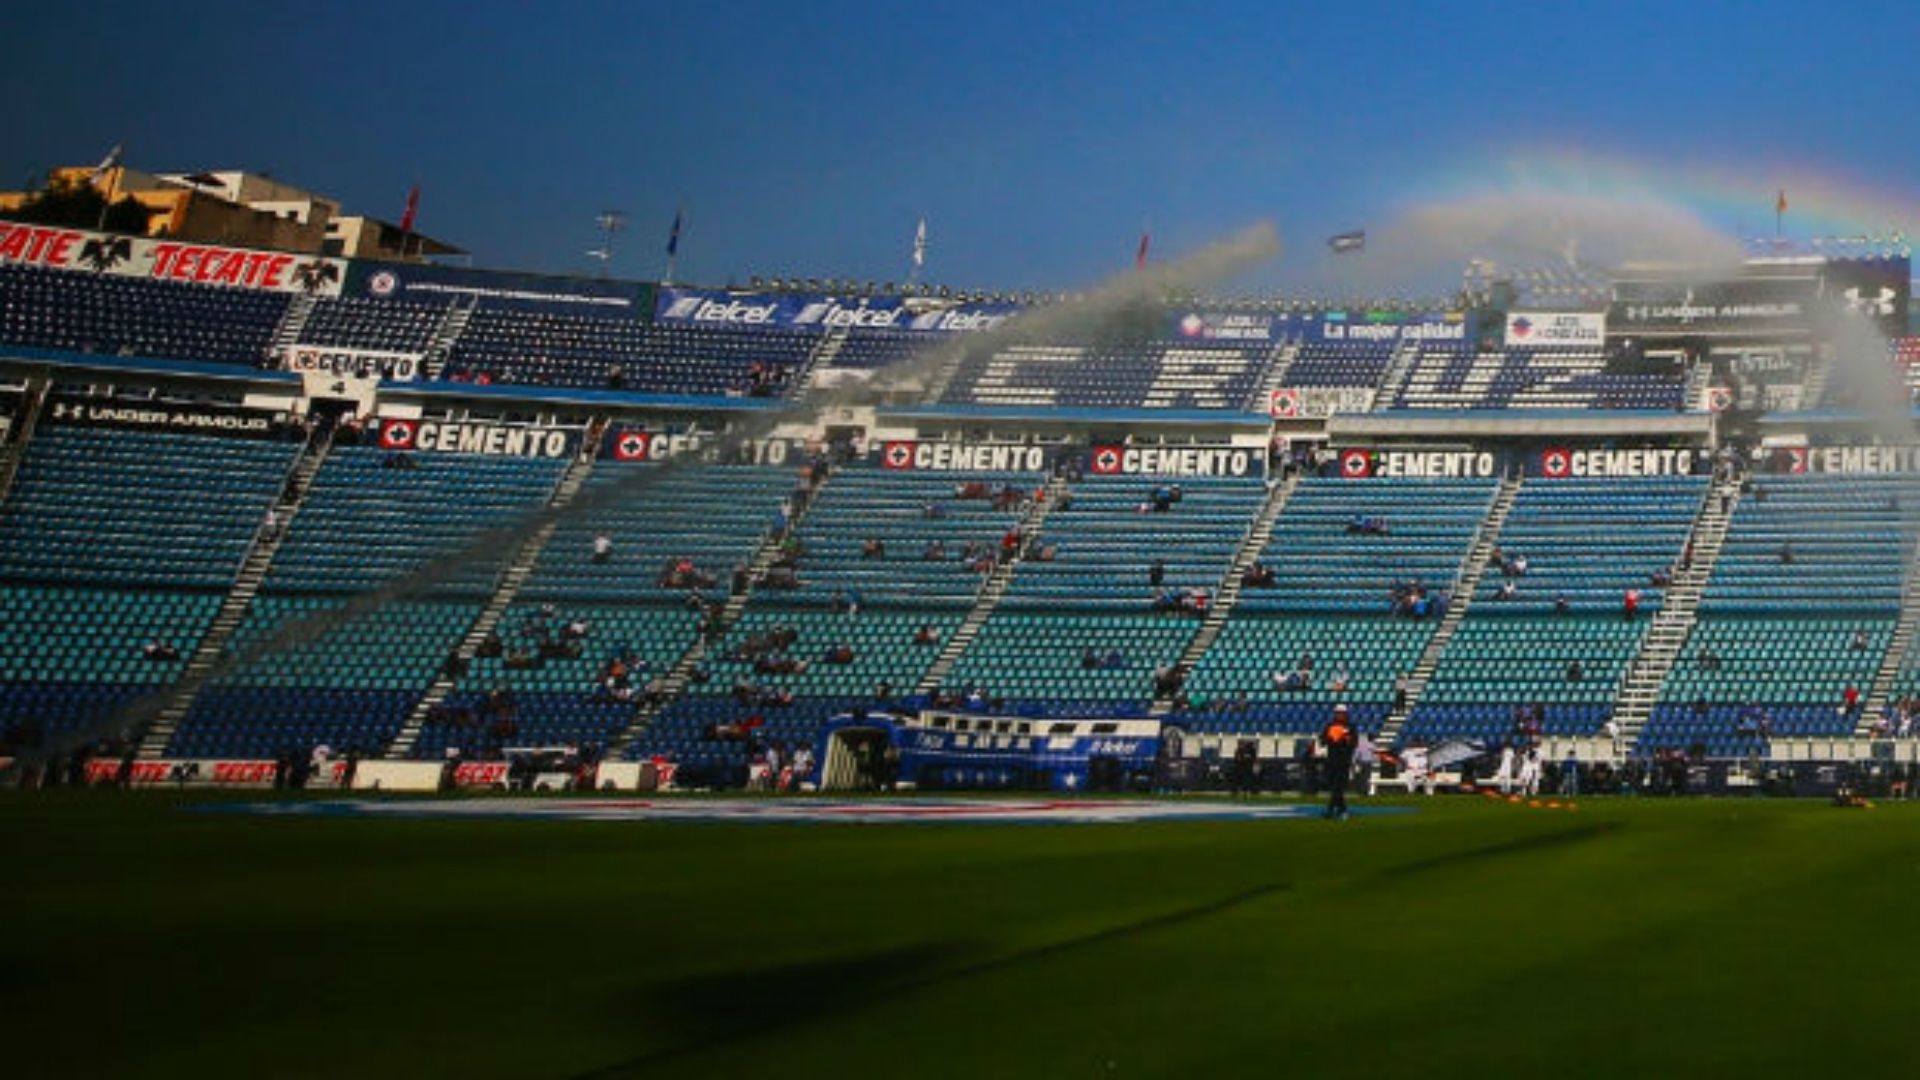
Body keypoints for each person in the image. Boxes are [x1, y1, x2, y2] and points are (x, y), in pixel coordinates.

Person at [1320, 705, 1358, 819]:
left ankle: (1330, 810)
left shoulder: (1350, 726)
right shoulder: (1329, 726)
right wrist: (1331, 738)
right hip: (1331, 760)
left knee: (1338, 786)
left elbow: (1354, 743)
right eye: (1338, 713)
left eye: (1342, 713)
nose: (1339, 715)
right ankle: (1342, 809)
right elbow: (1322, 740)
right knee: (1333, 786)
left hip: (1343, 760)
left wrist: (1344, 739)